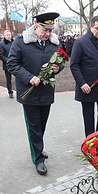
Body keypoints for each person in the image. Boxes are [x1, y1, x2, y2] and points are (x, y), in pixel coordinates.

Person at [7, 12, 64, 175]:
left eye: (50, 30)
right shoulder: (21, 41)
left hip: (46, 91)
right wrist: (29, 77)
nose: (47, 34)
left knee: (42, 124)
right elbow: (12, 64)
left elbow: (60, 63)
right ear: (36, 26)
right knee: (33, 126)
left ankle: (38, 148)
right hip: (29, 93)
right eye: (44, 30)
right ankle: (38, 158)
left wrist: (57, 68)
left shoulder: (54, 43)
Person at [70, 16, 98, 137]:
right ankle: (90, 141)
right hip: (87, 86)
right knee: (89, 117)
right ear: (91, 27)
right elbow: (74, 65)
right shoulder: (80, 42)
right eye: (97, 28)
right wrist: (82, 83)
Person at [0, 30, 14, 99]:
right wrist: (8, 60)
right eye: (7, 35)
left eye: (9, 34)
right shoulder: (1, 44)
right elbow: (1, 55)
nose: (9, 36)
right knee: (8, 79)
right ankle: (10, 92)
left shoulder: (14, 42)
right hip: (7, 64)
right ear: (4, 36)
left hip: (16, 63)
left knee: (19, 77)